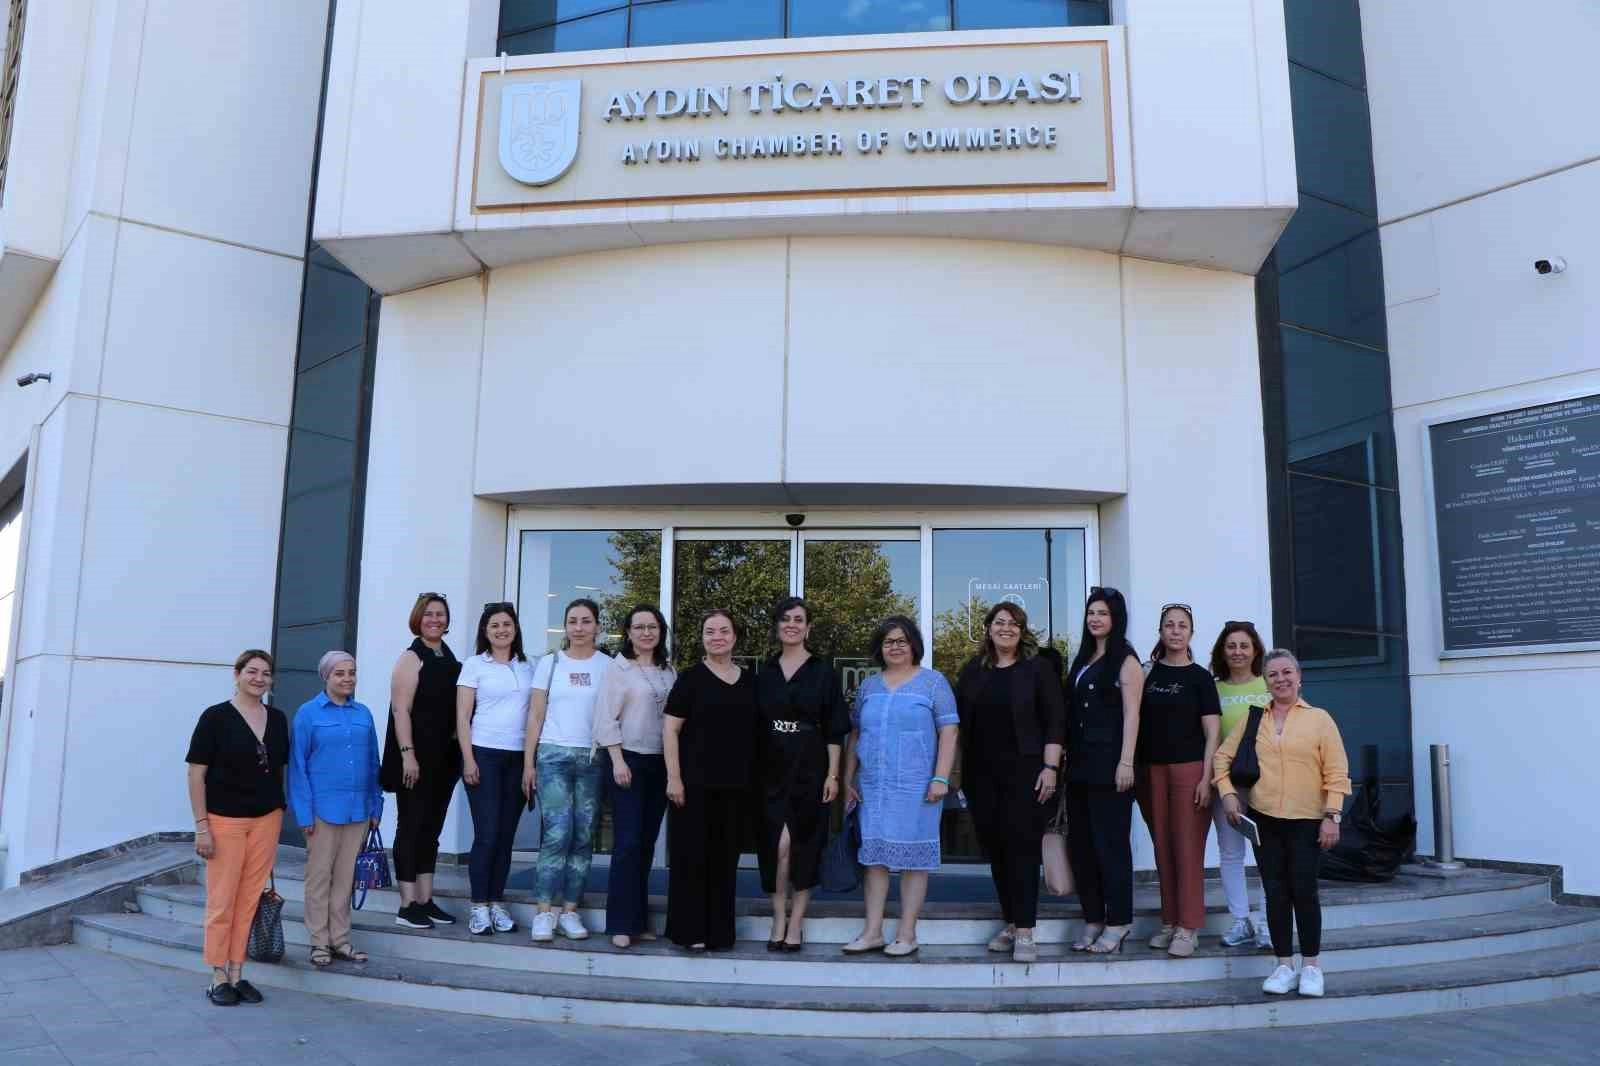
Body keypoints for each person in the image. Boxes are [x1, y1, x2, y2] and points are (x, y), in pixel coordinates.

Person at [1214, 649, 1351, 998]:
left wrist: (1332, 815)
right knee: (1275, 893)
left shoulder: (1319, 719)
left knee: (1303, 891)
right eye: (1273, 674)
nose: (1281, 679)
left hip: (1307, 820)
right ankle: (1283, 965)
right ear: (1266, 681)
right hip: (1265, 820)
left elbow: (1336, 772)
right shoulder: (1254, 717)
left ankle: (1311, 966)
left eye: (1287, 672)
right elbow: (1221, 758)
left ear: (1299, 677)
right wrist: (1227, 794)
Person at [954, 602, 1066, 964]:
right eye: (999, 622)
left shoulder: (1038, 669)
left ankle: (1026, 932)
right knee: (997, 851)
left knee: (1021, 849)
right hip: (981, 775)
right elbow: (958, 726)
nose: (1006, 628)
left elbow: (1055, 722)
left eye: (1013, 623)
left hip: (1027, 773)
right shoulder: (974, 671)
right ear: (988, 628)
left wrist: (1050, 767)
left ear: (1022, 630)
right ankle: (1012, 922)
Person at [841, 615, 959, 958]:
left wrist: (941, 777)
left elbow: (949, 731)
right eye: (888, 641)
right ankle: (873, 932)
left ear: (913, 645)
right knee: (874, 859)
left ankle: (907, 934)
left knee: (914, 861)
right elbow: (856, 734)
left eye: (901, 641)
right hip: (873, 787)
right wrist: (848, 779)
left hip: (918, 787)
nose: (895, 647)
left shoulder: (933, 683)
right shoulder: (869, 687)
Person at [186, 650, 289, 1006]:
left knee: (248, 900)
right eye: (252, 671)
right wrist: (202, 826)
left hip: (266, 819)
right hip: (224, 820)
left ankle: (237, 972)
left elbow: (279, 769)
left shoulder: (278, 719)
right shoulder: (214, 717)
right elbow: (196, 774)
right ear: (237, 674)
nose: (259, 678)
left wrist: (279, 808)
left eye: (266, 673)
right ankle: (217, 976)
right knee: (222, 900)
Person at [755, 597, 848, 952]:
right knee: (776, 848)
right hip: (770, 769)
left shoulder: (823, 672)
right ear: (777, 626)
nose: (791, 625)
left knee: (804, 847)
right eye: (785, 619)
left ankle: (796, 923)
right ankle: (778, 916)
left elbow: (835, 730)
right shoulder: (765, 672)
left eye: (798, 620)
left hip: (811, 768)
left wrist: (833, 775)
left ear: (808, 627)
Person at [664, 609, 759, 952]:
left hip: (735, 788)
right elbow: (670, 730)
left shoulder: (750, 681)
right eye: (710, 631)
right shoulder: (689, 679)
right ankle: (690, 932)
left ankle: (719, 934)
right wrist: (674, 778)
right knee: (691, 859)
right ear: (702, 638)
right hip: (692, 787)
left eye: (724, 631)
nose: (717, 637)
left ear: (735, 637)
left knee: (724, 862)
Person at [522, 598, 612, 943]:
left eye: (586, 621)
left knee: (583, 836)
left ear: (597, 627)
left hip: (592, 758)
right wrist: (528, 763)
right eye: (572, 621)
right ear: (565, 626)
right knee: (557, 833)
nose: (579, 627)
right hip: (553, 756)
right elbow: (535, 716)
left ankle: (570, 911)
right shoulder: (550, 663)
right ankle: (544, 912)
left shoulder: (608, 666)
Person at [1135, 603, 1221, 958]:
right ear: (1160, 631)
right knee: (1163, 848)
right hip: (1150, 771)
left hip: (1190, 771)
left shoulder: (1200, 677)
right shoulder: (1147, 674)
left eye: (1182, 625)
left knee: (1187, 849)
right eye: (1169, 625)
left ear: (1191, 633)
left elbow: (1212, 733)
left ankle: (1189, 927)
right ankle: (1170, 921)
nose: (1175, 630)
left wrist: (1206, 777)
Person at [289, 651, 383, 968]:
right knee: (319, 879)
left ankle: (340, 941)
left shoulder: (363, 714)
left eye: (351, 672)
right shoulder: (307, 714)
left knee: (345, 880)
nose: (347, 679)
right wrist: (304, 814)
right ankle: (318, 943)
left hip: (358, 811)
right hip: (322, 812)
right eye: (339, 673)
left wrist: (376, 805)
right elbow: (298, 768)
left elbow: (373, 763)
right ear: (326, 677)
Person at [1064, 587, 1143, 955]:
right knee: (1082, 847)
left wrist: (1126, 762)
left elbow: (1132, 715)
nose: (1095, 619)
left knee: (1110, 847)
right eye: (1091, 613)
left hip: (1111, 767)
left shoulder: (1125, 660)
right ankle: (1094, 917)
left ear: (1116, 619)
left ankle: (1119, 921)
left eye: (1103, 613)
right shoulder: (1083, 658)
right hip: (1079, 767)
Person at [594, 604, 675, 948]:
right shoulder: (618, 668)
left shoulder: (668, 670)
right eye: (639, 627)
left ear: (661, 631)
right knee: (626, 843)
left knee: (645, 845)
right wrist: (617, 760)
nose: (646, 633)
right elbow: (605, 718)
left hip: (660, 763)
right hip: (626, 760)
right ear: (628, 632)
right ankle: (620, 924)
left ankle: (638, 921)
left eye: (652, 626)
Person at [381, 593, 463, 931]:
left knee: (431, 830)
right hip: (415, 758)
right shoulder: (410, 658)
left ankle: (425, 900)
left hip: (445, 759)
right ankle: (406, 905)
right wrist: (408, 755)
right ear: (418, 618)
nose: (435, 619)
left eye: (440, 614)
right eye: (428, 614)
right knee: (411, 827)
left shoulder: (448, 655)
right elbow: (400, 710)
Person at [456, 601, 535, 936]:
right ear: (485, 632)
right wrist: (468, 759)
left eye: (507, 624)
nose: (501, 630)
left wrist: (530, 764)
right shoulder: (475, 665)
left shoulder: (529, 666)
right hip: (484, 755)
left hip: (517, 758)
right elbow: (462, 717)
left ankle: (496, 902)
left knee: (505, 837)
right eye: (495, 626)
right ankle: (478, 906)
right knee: (487, 835)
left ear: (515, 629)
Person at [1209, 620, 1272, 948]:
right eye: (1231, 646)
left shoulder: (1269, 684)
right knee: (1231, 853)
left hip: (1267, 784)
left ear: (1255, 650)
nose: (1237, 652)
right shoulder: (1213, 689)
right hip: (1228, 785)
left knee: (1268, 855)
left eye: (1244, 646)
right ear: (1222, 651)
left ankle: (1268, 923)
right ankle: (1241, 921)